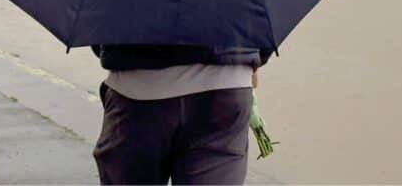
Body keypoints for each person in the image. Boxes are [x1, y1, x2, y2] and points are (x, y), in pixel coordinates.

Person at [92, 44, 271, 185]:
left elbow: (98, 24)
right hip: (225, 86)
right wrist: (252, 58)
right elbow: (261, 16)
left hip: (138, 88)